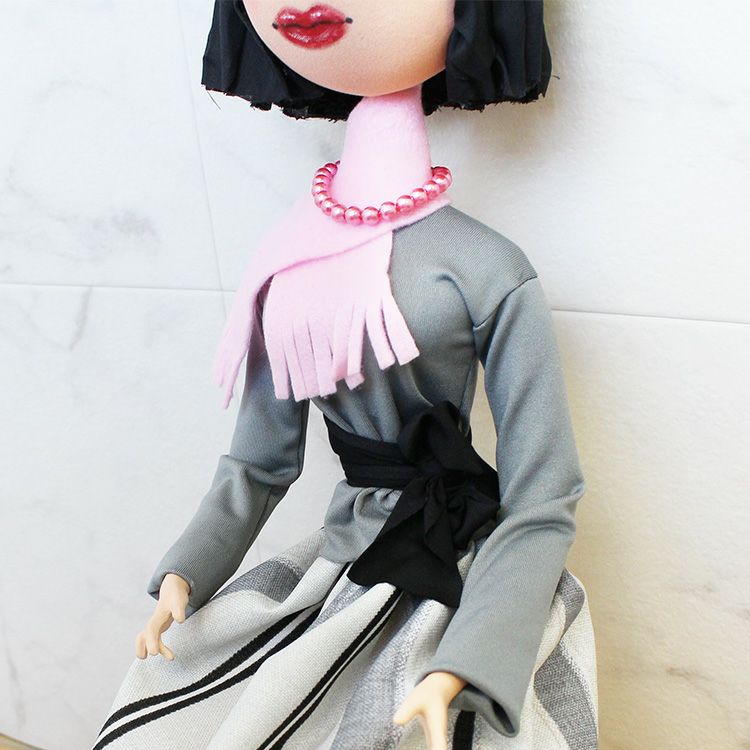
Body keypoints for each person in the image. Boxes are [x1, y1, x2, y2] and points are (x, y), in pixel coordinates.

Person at [95, 2, 598, 748]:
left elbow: (544, 492)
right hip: (345, 559)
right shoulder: (289, 261)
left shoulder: (487, 266)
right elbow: (259, 462)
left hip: (461, 568)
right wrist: (187, 573)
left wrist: (467, 662)